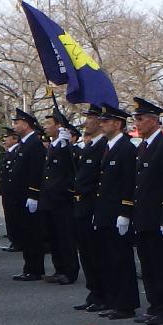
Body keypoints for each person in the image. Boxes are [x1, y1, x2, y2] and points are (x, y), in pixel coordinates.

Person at [129, 98, 163, 324]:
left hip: (156, 214)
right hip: (142, 214)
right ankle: (153, 304)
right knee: (147, 263)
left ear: (153, 120)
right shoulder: (144, 146)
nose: (136, 124)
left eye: (140, 119)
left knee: (159, 263)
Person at [91, 104, 140, 318]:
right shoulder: (109, 147)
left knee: (121, 259)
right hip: (105, 211)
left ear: (118, 124)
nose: (101, 124)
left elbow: (129, 182)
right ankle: (114, 300)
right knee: (109, 259)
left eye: (106, 121)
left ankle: (126, 304)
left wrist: (125, 211)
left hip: (118, 212)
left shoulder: (126, 148)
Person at [7, 109, 48, 281]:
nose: (14, 125)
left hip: (29, 196)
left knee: (32, 233)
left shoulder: (35, 144)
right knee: (25, 232)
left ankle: (35, 268)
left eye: (17, 122)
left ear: (26, 124)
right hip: (20, 196)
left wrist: (33, 194)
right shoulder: (24, 144)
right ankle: (29, 267)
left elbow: (36, 171)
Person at [72, 107, 106, 311]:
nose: (87, 121)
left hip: (93, 205)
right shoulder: (90, 145)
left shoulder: (103, 146)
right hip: (81, 205)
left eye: (91, 117)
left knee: (96, 254)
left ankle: (102, 293)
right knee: (85, 253)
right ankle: (94, 292)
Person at [43, 110, 81, 284]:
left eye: (49, 123)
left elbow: (72, 167)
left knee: (65, 237)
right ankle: (59, 269)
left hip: (63, 198)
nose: (46, 126)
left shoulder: (65, 146)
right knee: (54, 237)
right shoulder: (53, 145)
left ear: (59, 126)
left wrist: (67, 145)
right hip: (51, 198)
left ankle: (69, 270)